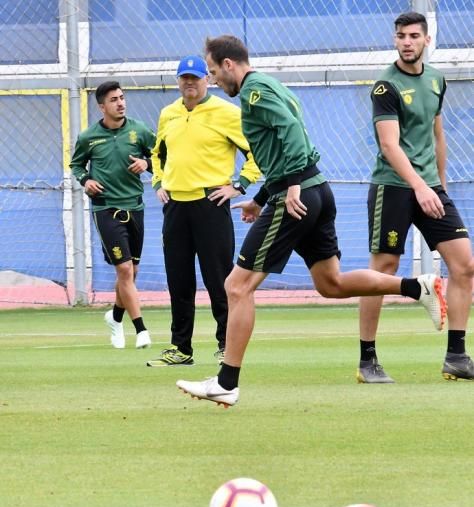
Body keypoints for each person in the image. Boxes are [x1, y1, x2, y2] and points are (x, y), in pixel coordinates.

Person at [176, 35, 447, 407]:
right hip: (316, 190)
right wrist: (259, 198)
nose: (214, 82)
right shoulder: (269, 85)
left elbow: (290, 129)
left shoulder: (254, 91)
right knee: (330, 283)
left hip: (298, 195)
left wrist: (289, 186)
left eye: (212, 72)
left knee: (236, 286)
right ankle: (418, 288)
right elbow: (288, 129)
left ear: (228, 65)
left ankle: (226, 381)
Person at [357, 11, 473, 384]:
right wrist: (420, 187)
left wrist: (438, 185)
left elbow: (438, 136)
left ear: (426, 40)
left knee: (465, 265)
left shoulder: (437, 79)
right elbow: (390, 146)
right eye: (400, 36)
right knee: (382, 271)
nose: (406, 42)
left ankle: (456, 356)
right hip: (392, 187)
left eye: (413, 36)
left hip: (429, 187)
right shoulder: (384, 87)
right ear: (395, 40)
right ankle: (367, 360)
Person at [146, 55, 260, 367]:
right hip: (175, 207)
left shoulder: (226, 113)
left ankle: (227, 345)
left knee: (220, 279)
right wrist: (159, 181)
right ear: (178, 81)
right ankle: (180, 348)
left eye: (195, 78)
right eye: (184, 78)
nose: (189, 83)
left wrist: (239, 185)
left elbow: (255, 153)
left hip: (211, 204)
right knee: (178, 280)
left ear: (207, 80)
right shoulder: (168, 114)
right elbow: (158, 155)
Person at [70, 80, 155, 349]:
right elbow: (76, 164)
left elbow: (163, 158)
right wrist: (86, 180)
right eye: (114, 100)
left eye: (122, 97)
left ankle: (115, 317)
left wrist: (147, 163)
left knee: (132, 272)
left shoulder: (140, 131)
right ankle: (141, 329)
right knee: (124, 268)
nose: (120, 103)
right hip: (106, 207)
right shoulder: (88, 137)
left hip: (135, 206)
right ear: (101, 107)